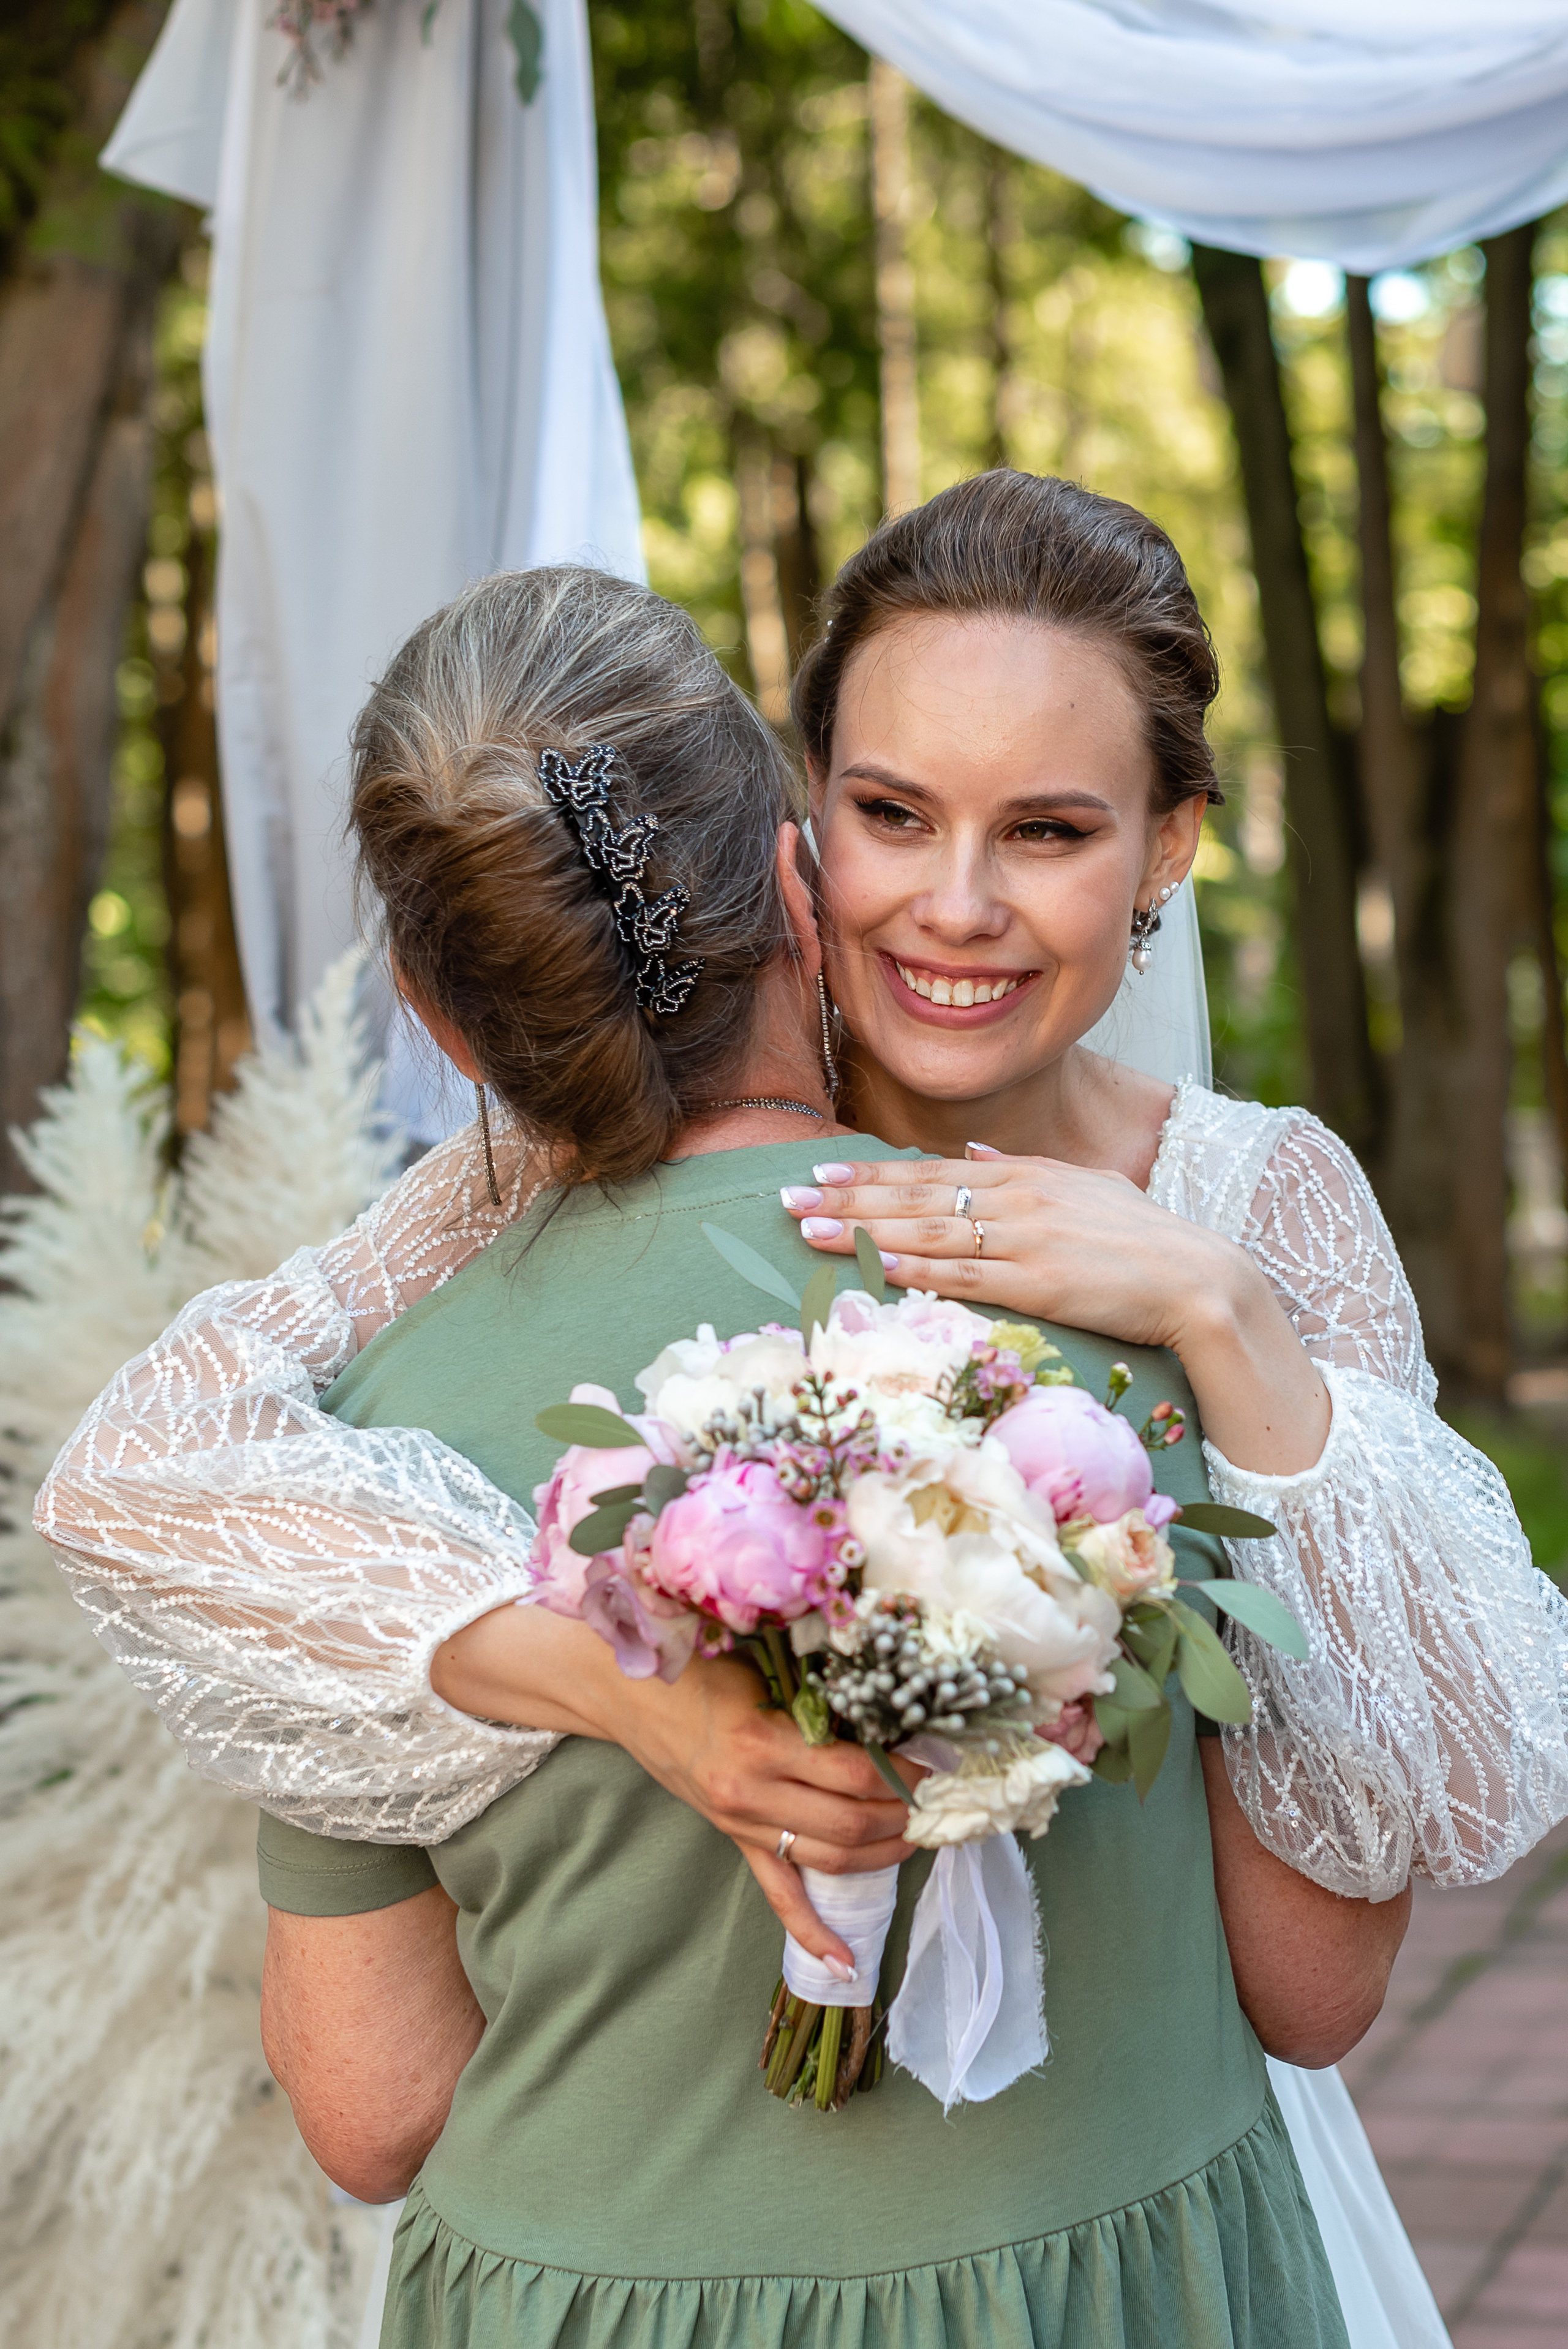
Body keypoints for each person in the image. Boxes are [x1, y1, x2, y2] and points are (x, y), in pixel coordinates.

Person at [38, 479, 1563, 2337]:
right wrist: (606, 1668)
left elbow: (1329, 1939)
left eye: (1054, 828)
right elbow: (150, 1464)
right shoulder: (443, 1257)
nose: (959, 904)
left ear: (1172, 844)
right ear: (795, 840)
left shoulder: (1248, 1228)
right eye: (893, 813)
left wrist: (1213, 1299)